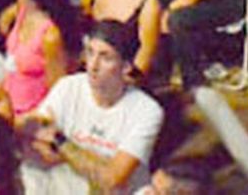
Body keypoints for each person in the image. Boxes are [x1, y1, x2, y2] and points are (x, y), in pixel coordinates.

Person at [20, 21, 165, 194]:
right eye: (90, 53)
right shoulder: (68, 86)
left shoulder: (146, 110)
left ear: (126, 67)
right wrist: (97, 163)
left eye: (105, 57)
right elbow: (36, 137)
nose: (93, 66)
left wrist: (61, 142)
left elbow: (112, 179)